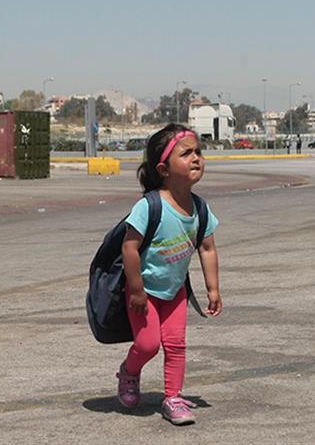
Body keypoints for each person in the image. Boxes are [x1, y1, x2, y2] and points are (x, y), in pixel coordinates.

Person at [117, 124, 222, 426]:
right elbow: (129, 248)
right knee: (148, 345)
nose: (196, 158)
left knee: (176, 344)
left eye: (198, 152)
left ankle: (173, 397)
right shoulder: (149, 206)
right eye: (186, 153)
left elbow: (207, 248)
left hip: (176, 291)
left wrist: (213, 289)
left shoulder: (200, 207)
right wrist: (137, 290)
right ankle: (129, 371)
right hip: (144, 291)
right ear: (163, 169)